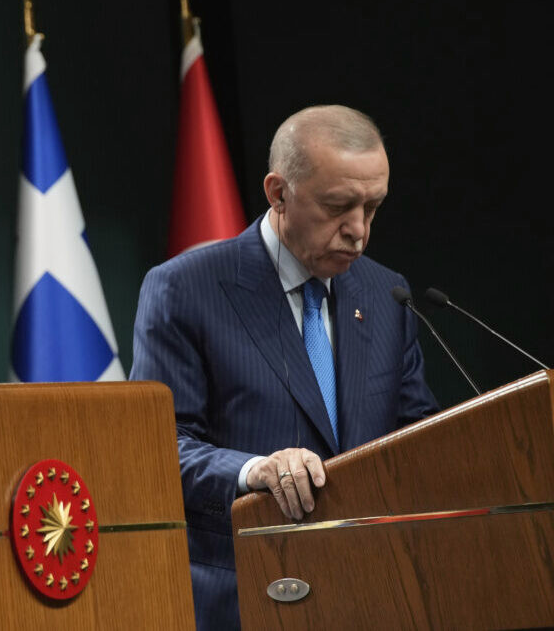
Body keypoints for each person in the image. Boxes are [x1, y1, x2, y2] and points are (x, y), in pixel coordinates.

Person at [130, 105, 438, 629]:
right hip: (246, 596)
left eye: (373, 207)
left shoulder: (386, 294)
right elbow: (157, 448)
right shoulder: (185, 289)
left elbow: (418, 437)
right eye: (338, 207)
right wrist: (254, 470)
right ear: (278, 193)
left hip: (371, 597)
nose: (359, 231)